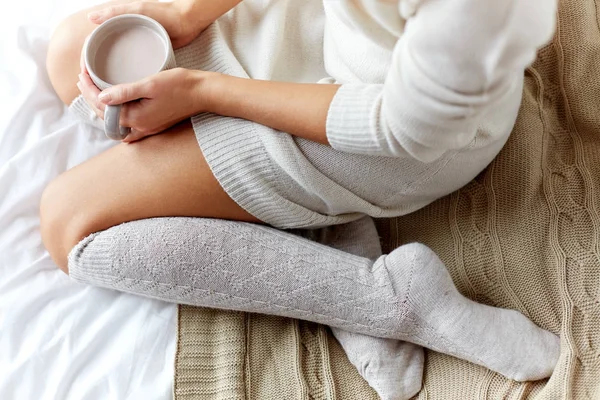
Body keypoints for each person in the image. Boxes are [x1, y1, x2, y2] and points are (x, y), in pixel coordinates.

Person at [42, 0, 561, 398]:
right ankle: (321, 218)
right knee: (74, 50)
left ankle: (393, 300)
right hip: (330, 31)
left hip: (386, 136)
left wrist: (203, 92)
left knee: (70, 227)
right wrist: (187, 13)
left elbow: (400, 129)